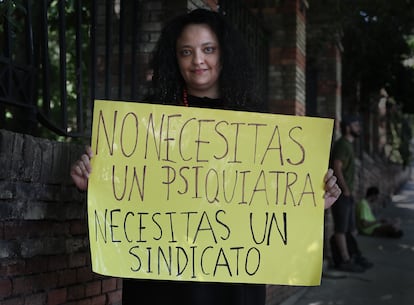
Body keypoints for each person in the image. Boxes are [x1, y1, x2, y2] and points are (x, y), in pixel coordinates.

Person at [71, 9, 341, 305]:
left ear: (224, 55)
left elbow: (272, 203)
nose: (197, 60)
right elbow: (128, 193)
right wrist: (94, 184)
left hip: (231, 283)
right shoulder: (147, 120)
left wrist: (312, 201)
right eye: (186, 51)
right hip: (163, 282)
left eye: (208, 49)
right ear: (174, 58)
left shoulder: (256, 123)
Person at [330, 115, 371, 272]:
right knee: (341, 228)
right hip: (341, 194)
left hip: (347, 194)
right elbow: (337, 167)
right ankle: (345, 260)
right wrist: (345, 189)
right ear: (347, 127)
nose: (359, 128)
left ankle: (351, 256)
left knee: (349, 228)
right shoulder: (342, 145)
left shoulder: (348, 145)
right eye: (355, 125)